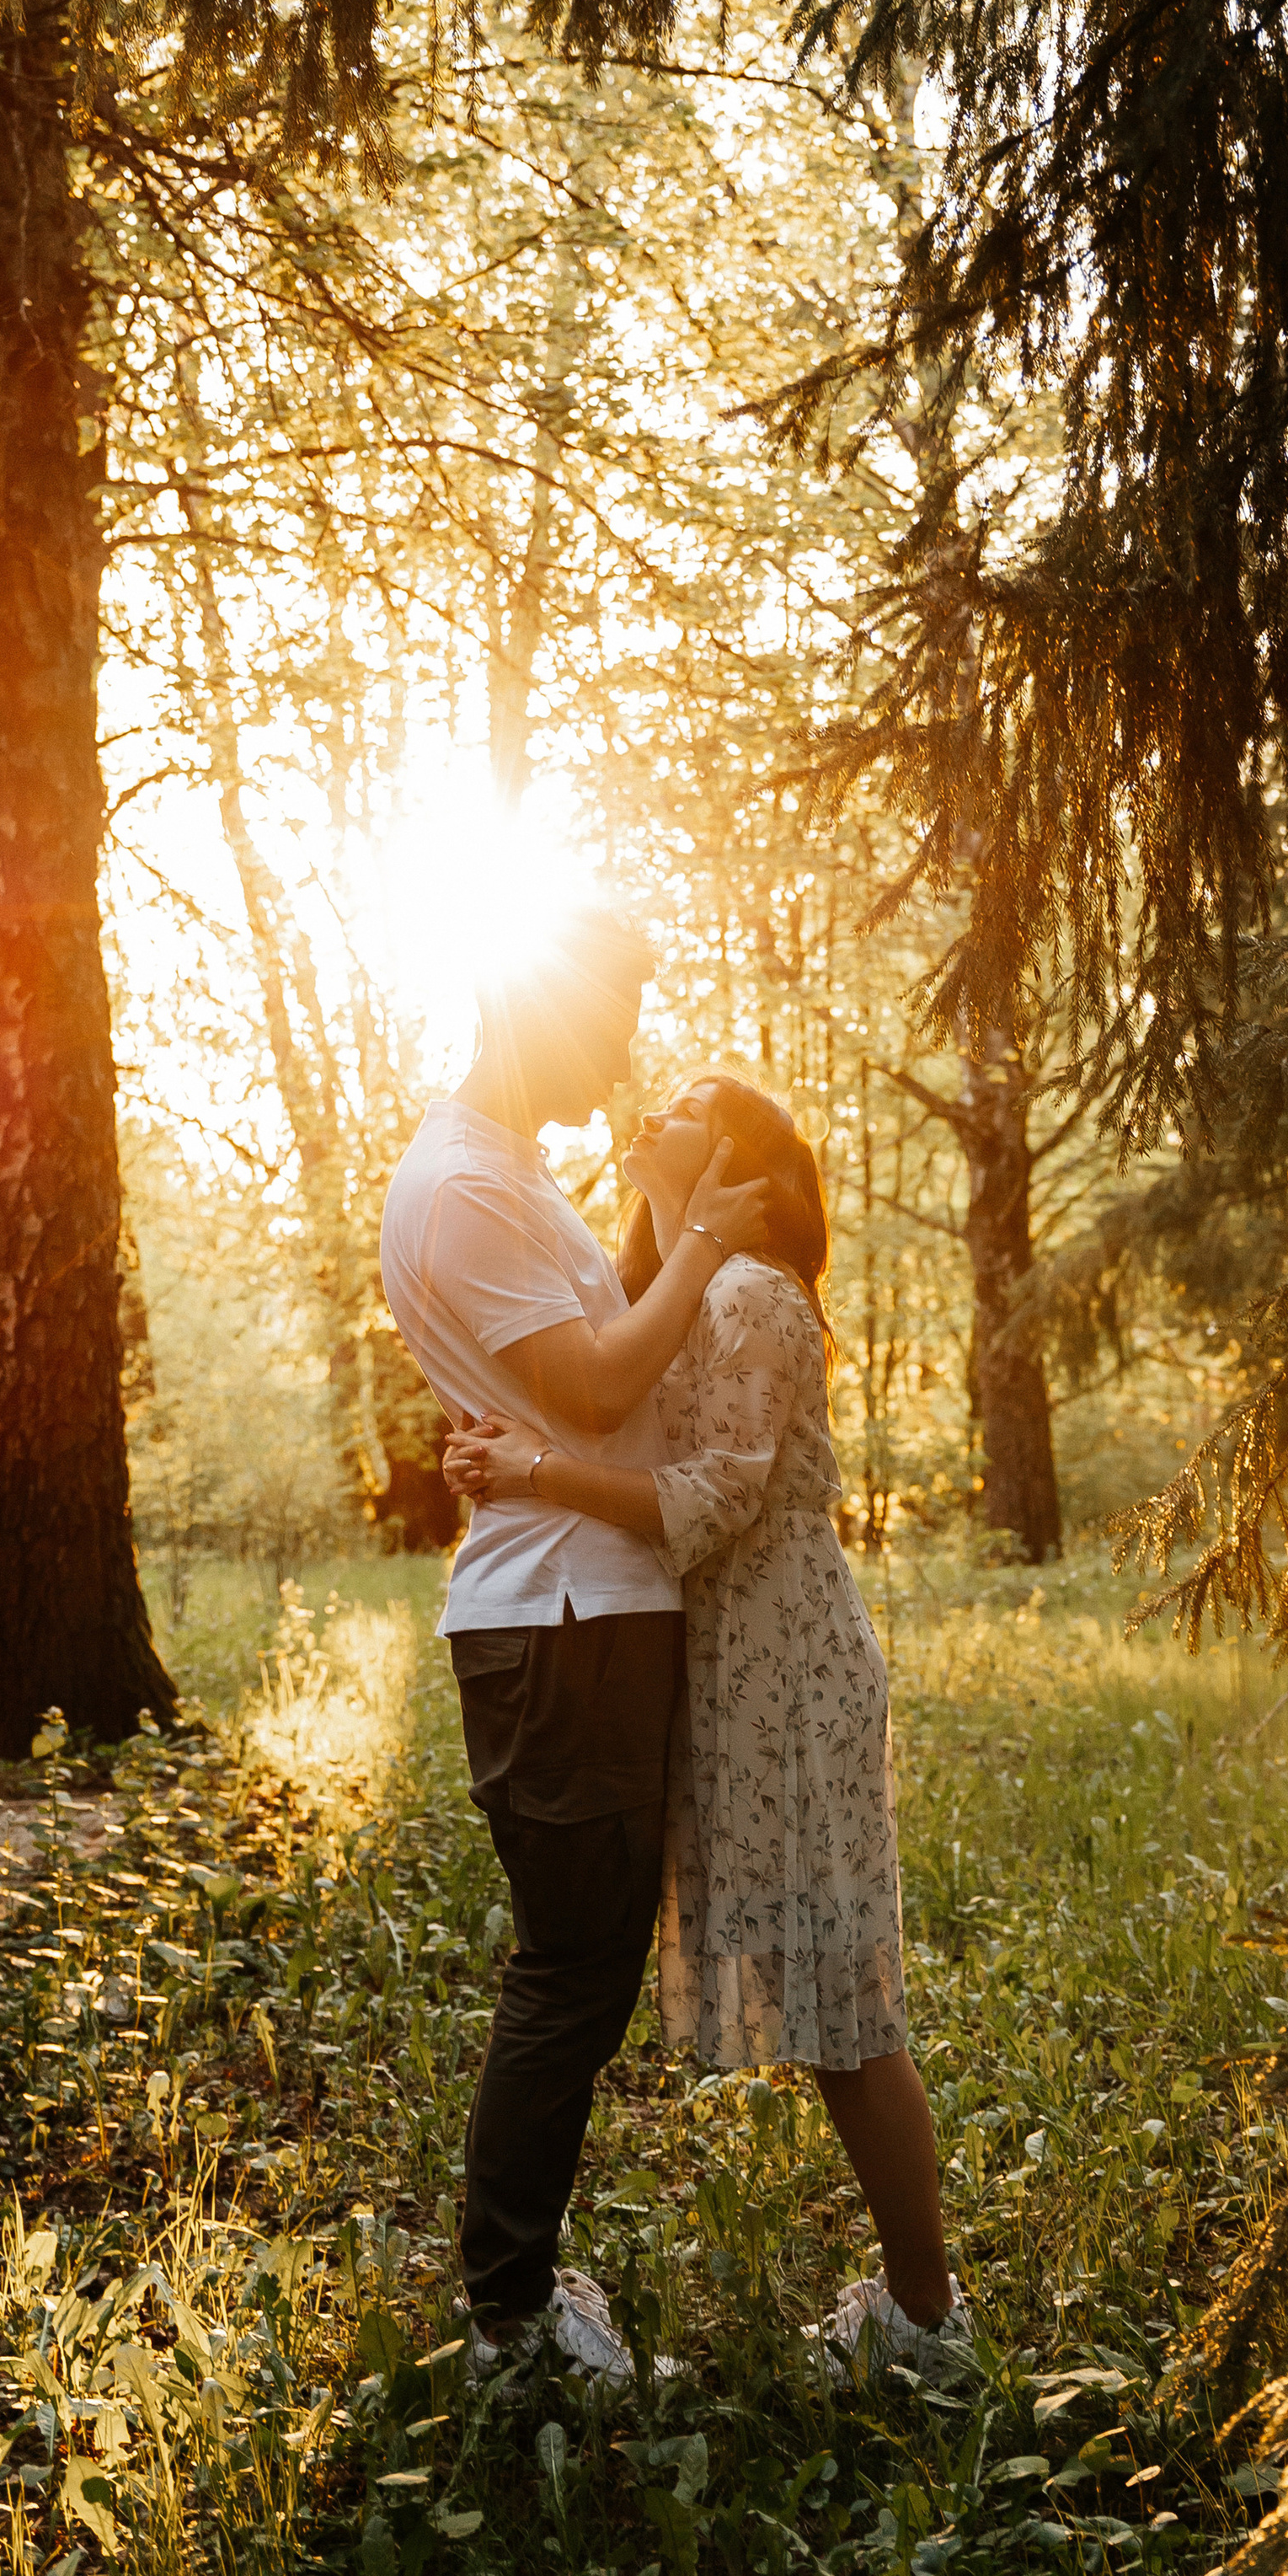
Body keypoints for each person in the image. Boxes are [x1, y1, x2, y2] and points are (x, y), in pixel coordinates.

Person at [444, 1071, 970, 2383]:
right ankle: (916, 2312)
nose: (646, 1103)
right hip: (733, 1656)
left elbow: (723, 1495)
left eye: (684, 1097)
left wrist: (533, 1471)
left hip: (785, 1659)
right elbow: (614, 1405)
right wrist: (506, 1444)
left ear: (734, 1160)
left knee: (846, 1997)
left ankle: (925, 2322)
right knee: (828, 1985)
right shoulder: (679, 1294)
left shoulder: (747, 1294)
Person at [377, 910, 769, 2388]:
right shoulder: (466, 1188)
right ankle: (510, 2321)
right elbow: (602, 1391)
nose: (622, 1052)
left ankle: (516, 2293)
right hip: (563, 1619)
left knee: (585, 1960)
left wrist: (673, 1220)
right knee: (573, 1971)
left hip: (591, 1605)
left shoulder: (513, 1175)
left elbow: (592, 1362)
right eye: (609, 1020)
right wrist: (715, 1235)